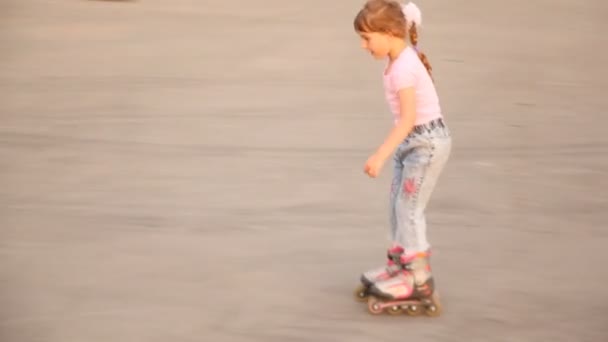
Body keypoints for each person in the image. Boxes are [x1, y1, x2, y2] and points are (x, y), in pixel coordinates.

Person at [351, 0, 452, 316]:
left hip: (426, 144)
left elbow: (408, 118)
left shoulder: (404, 68)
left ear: (388, 33)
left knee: (409, 209)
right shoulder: (398, 62)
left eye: (367, 38)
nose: (363, 45)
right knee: (397, 203)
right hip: (413, 143)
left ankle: (418, 278)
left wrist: (381, 155)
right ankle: (399, 268)